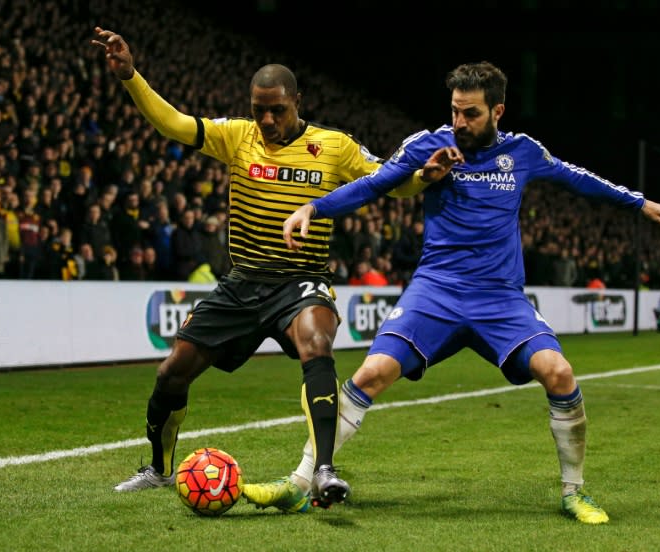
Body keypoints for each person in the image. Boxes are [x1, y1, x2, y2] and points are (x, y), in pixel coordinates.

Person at [258, 61, 660, 524]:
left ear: (497, 110)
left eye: (472, 113)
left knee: (559, 373)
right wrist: (313, 208)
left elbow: (578, 179)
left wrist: (640, 202)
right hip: (436, 291)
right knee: (371, 373)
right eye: (456, 111)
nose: (460, 122)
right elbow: (376, 184)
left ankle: (574, 493)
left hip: (500, 298)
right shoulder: (426, 145)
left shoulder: (522, 152)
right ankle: (302, 481)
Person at [91, 27, 428, 509]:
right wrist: (131, 77)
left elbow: (392, 184)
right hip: (242, 283)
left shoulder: (334, 147)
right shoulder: (237, 136)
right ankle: (160, 470)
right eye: (259, 110)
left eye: (277, 110)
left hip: (301, 280)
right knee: (171, 375)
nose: (267, 120)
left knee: (316, 344)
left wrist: (423, 176)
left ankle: (324, 471)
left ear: (297, 102)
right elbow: (174, 124)